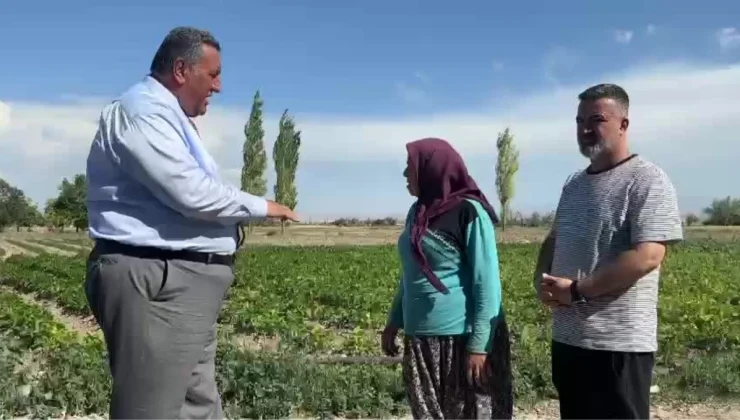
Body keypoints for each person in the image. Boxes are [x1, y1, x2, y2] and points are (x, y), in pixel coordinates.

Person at [84, 27, 298, 420]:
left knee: (196, 404)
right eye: (213, 75)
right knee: (151, 409)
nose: (218, 86)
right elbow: (190, 192)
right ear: (181, 70)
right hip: (160, 278)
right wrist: (264, 207)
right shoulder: (143, 111)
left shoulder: (164, 115)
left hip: (179, 281)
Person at [536, 83, 683, 420]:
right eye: (580, 121)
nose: (585, 129)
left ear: (623, 124)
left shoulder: (646, 179)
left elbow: (648, 255)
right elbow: (554, 239)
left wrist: (577, 291)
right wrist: (540, 281)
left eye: (597, 120)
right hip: (569, 339)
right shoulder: (574, 184)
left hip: (618, 343)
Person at [381, 137, 513, 420]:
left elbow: (487, 284)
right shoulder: (417, 213)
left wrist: (480, 346)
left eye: (410, 166)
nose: (405, 174)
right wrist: (394, 321)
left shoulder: (469, 212)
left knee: (469, 413)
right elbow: (411, 273)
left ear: (431, 169)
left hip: (461, 340)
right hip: (421, 340)